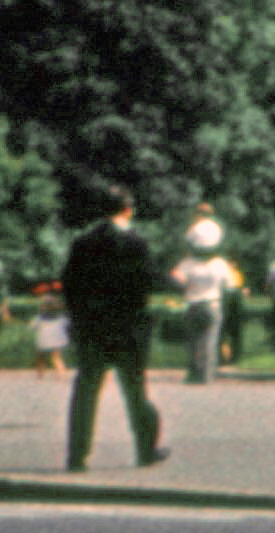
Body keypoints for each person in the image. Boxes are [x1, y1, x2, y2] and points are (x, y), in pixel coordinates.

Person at [58, 185, 170, 473]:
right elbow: (148, 280)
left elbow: (69, 284)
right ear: (128, 209)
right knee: (135, 390)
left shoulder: (82, 243)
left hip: (92, 327)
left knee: (86, 391)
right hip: (129, 328)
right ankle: (145, 450)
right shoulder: (136, 243)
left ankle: (77, 455)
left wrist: (79, 317)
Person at [173, 207, 237, 383]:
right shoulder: (220, 263)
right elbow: (231, 286)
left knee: (193, 342)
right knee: (209, 342)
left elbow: (176, 280)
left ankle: (193, 373)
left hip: (192, 303)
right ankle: (206, 375)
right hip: (212, 303)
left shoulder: (187, 263)